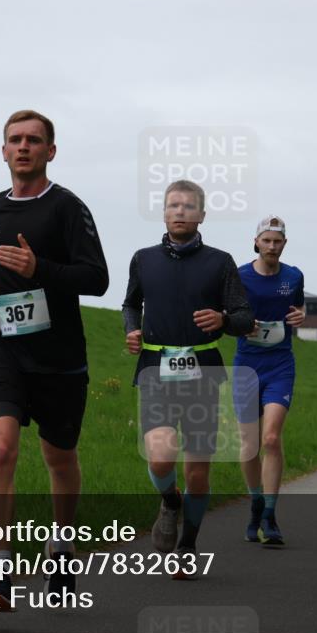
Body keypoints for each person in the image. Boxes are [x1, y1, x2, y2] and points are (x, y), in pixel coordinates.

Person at [0, 110, 109, 610]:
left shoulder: (68, 208)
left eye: (33, 140)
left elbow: (97, 279)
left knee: (59, 457)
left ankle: (62, 541)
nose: (23, 147)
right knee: (0, 447)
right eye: (14, 140)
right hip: (3, 346)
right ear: (2, 150)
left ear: (51, 151)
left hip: (60, 355)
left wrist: (39, 267)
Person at [123, 180, 253, 576]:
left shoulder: (220, 262)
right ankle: (170, 501)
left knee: (198, 472)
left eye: (188, 206)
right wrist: (132, 328)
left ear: (201, 215)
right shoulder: (144, 259)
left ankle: (188, 545)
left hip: (202, 373)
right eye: (173, 205)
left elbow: (244, 318)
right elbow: (131, 302)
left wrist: (224, 319)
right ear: (164, 212)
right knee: (161, 457)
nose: (179, 211)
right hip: (155, 370)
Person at [233, 216, 305, 546]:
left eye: (278, 241)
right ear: (256, 242)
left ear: (284, 244)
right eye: (267, 240)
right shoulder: (239, 275)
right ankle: (256, 501)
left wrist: (299, 316)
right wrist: (239, 323)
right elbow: (225, 314)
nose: (272, 246)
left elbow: (297, 308)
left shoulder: (293, 276)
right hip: (247, 365)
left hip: (280, 364)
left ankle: (270, 515)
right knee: (248, 444)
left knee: (271, 438)